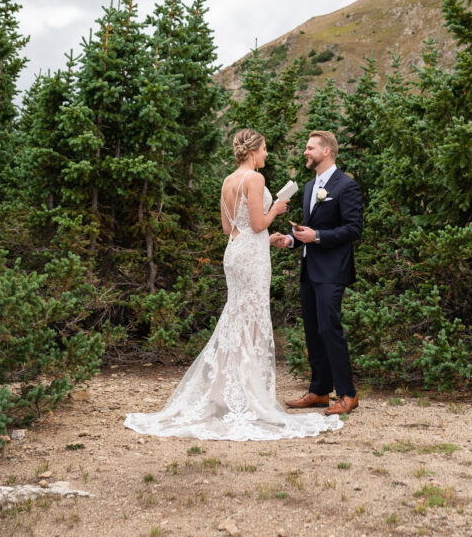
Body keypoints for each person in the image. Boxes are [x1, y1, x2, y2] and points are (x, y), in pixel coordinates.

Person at [124, 129, 342, 441]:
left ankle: (225, 391)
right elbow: (256, 223)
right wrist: (276, 210)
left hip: (237, 252)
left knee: (237, 316)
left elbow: (231, 228)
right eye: (265, 149)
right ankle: (246, 393)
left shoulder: (228, 181)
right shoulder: (254, 179)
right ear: (253, 152)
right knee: (250, 319)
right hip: (251, 259)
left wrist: (267, 239)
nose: (266, 154)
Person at [273, 130, 363, 416]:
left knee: (329, 329)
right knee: (313, 331)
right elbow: (308, 229)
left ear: (327, 151)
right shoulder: (311, 187)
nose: (305, 152)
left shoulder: (346, 186)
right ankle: (320, 391)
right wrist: (290, 239)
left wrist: (318, 237)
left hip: (332, 270)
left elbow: (353, 229)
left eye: (310, 148)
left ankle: (348, 394)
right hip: (309, 270)